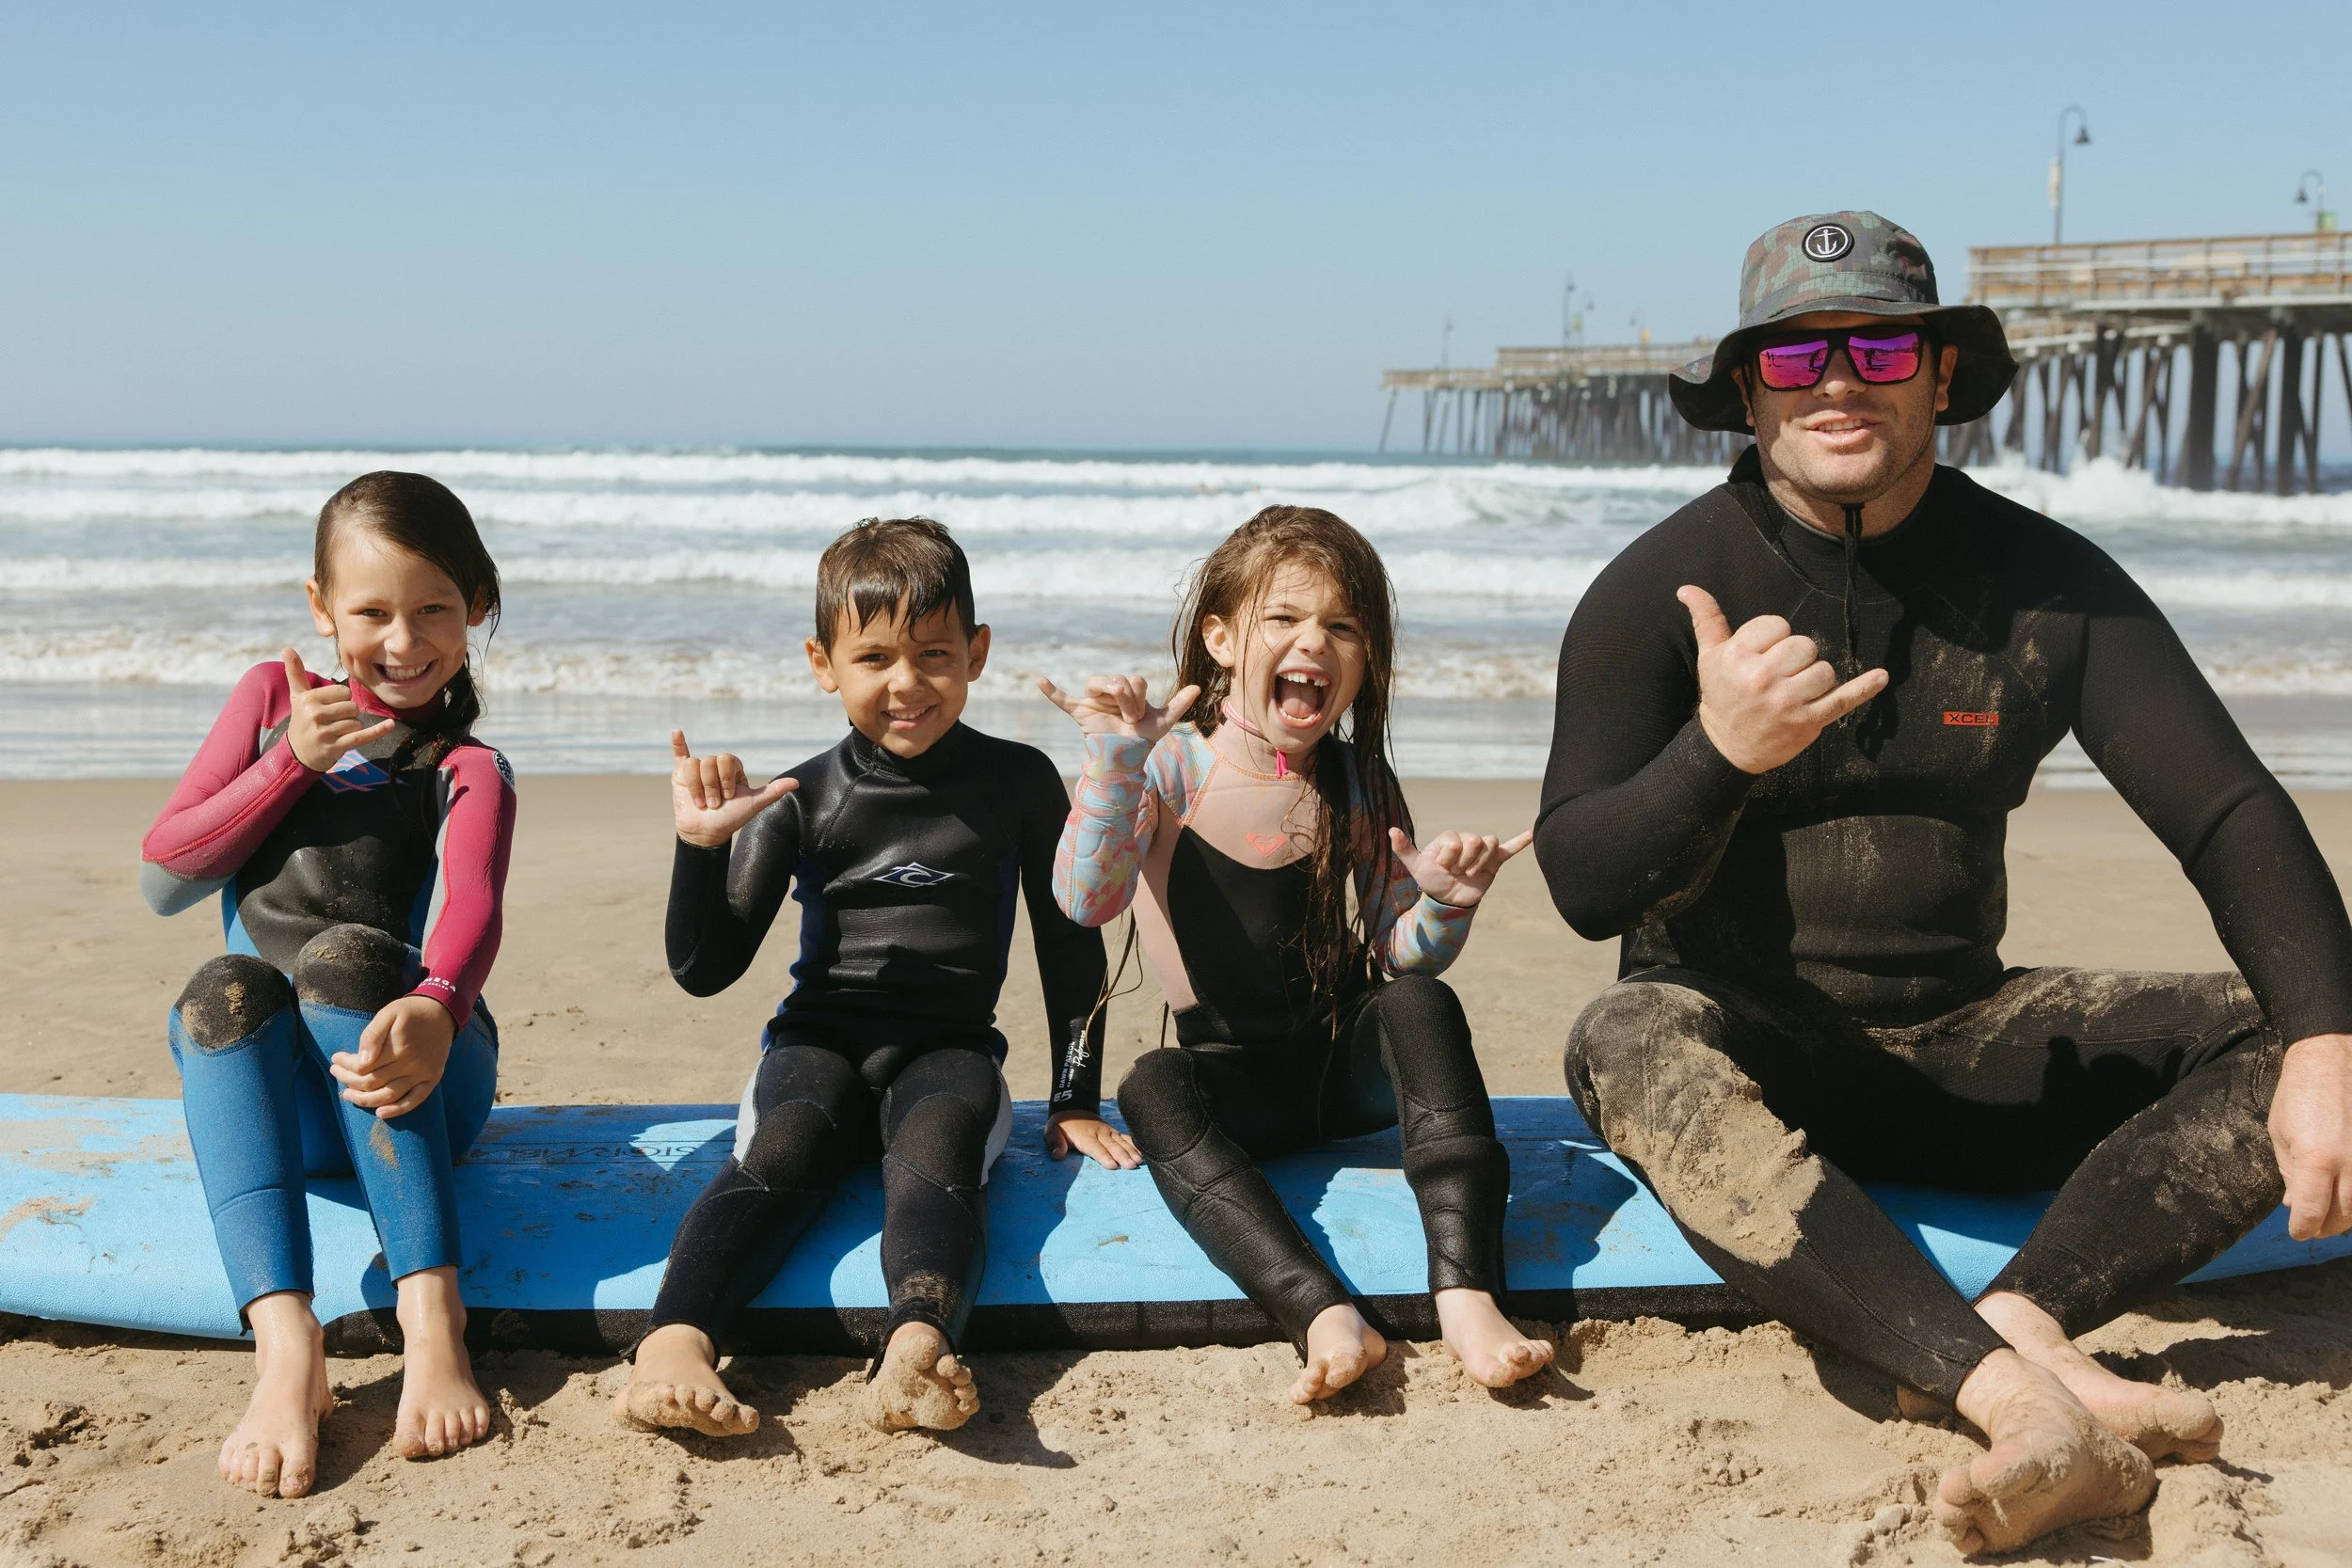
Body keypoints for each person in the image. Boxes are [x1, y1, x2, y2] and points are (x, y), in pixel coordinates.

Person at [1535, 211, 2352, 1555]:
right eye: (1795, 358)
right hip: (1748, 1054)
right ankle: (2005, 1393)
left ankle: (2030, 1317)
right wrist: (1715, 754)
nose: (1838, 379)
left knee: (2305, 1022)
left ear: (1942, 374)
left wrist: (2323, 1036)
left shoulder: (2045, 583)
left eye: (1877, 345)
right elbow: (1579, 876)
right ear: (1747, 391)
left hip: (1963, 1041)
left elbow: (2226, 809)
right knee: (1621, 1032)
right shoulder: (1659, 591)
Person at [616, 517, 1127, 1439]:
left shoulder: (1019, 782)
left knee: (935, 1150)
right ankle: (673, 1341)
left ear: (976, 652)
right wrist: (700, 849)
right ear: (824, 663)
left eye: (934, 653)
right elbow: (704, 967)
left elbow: (1071, 940)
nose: (906, 683)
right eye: (875, 656)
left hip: (950, 1049)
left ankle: (915, 1345)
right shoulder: (801, 795)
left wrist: (1072, 1097)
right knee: (778, 1152)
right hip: (817, 1043)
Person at [1044, 505, 1551, 1404]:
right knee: (1154, 1084)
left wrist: (1446, 904)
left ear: (1365, 662)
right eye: (1283, 618)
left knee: (1421, 1008)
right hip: (1234, 1080)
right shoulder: (1168, 771)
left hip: (1339, 1065)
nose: (1313, 640)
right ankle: (1318, 1311)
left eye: (1343, 626)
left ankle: (1467, 1289)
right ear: (1221, 638)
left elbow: (1404, 957)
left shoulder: (1358, 779)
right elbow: (1086, 900)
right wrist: (1114, 767)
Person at [140, 472, 515, 1499]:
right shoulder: (272, 701)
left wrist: (438, 1005)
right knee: (224, 984)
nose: (405, 638)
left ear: (476, 605)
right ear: (321, 609)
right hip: (290, 1109)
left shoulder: (466, 765)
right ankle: (286, 1346)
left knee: (346, 954)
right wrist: (286, 766)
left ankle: (432, 1320)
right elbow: (164, 876)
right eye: (373, 611)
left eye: (435, 607)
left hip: (421, 1077)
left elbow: (472, 910)